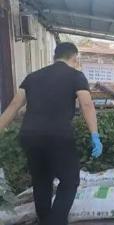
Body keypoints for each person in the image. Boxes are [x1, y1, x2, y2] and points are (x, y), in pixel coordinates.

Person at [0, 42, 103, 225]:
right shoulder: (76, 76)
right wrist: (94, 134)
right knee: (70, 181)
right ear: (74, 58)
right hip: (58, 136)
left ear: (54, 57)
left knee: (41, 181)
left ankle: (45, 220)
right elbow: (86, 105)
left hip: (30, 135)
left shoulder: (32, 77)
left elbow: (14, 106)